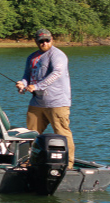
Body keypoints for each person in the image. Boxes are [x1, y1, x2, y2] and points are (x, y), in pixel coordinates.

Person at [16, 28, 74, 168]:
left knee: (62, 132)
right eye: (41, 41)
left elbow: (56, 73)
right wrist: (22, 84)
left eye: (47, 40)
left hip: (57, 102)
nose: (44, 43)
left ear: (52, 39)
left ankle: (69, 163)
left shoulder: (57, 55)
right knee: (31, 134)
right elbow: (27, 76)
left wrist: (37, 86)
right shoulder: (32, 57)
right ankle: (31, 160)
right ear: (36, 41)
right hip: (37, 102)